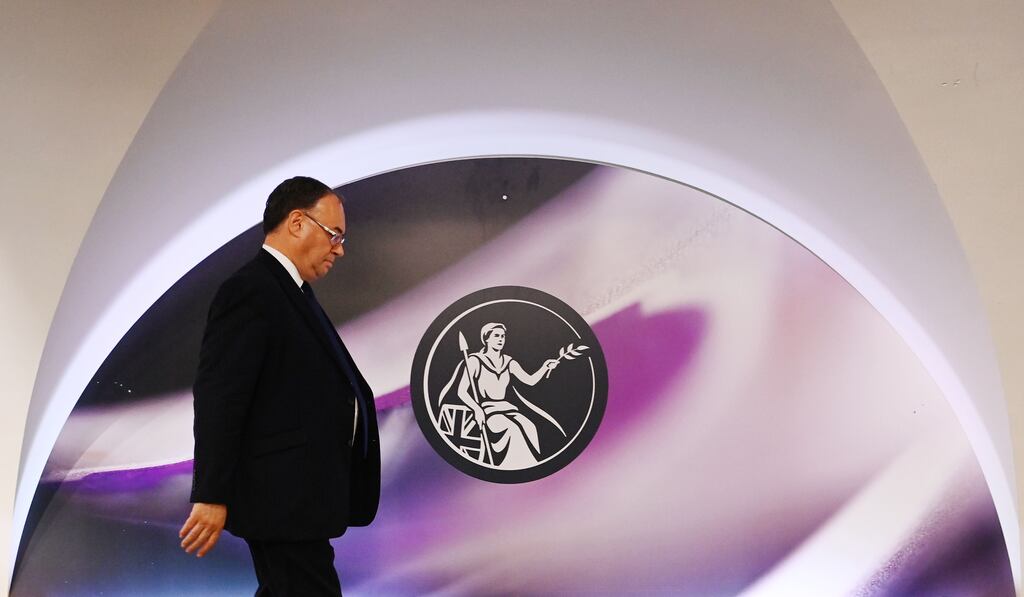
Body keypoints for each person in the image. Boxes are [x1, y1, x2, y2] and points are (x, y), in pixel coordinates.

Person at [179, 176, 380, 596]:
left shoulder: (291, 291)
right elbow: (220, 397)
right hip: (280, 502)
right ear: (296, 222)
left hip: (299, 502)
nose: (340, 248)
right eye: (334, 234)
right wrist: (212, 493)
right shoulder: (251, 290)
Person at [454, 323, 560, 469]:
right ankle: (514, 468)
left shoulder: (509, 362)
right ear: (486, 339)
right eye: (496, 336)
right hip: (488, 411)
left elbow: (530, 381)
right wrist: (476, 409)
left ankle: (532, 466)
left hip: (507, 408)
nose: (500, 339)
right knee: (512, 429)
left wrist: (545, 367)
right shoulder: (475, 361)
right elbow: (461, 391)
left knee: (530, 426)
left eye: (502, 336)